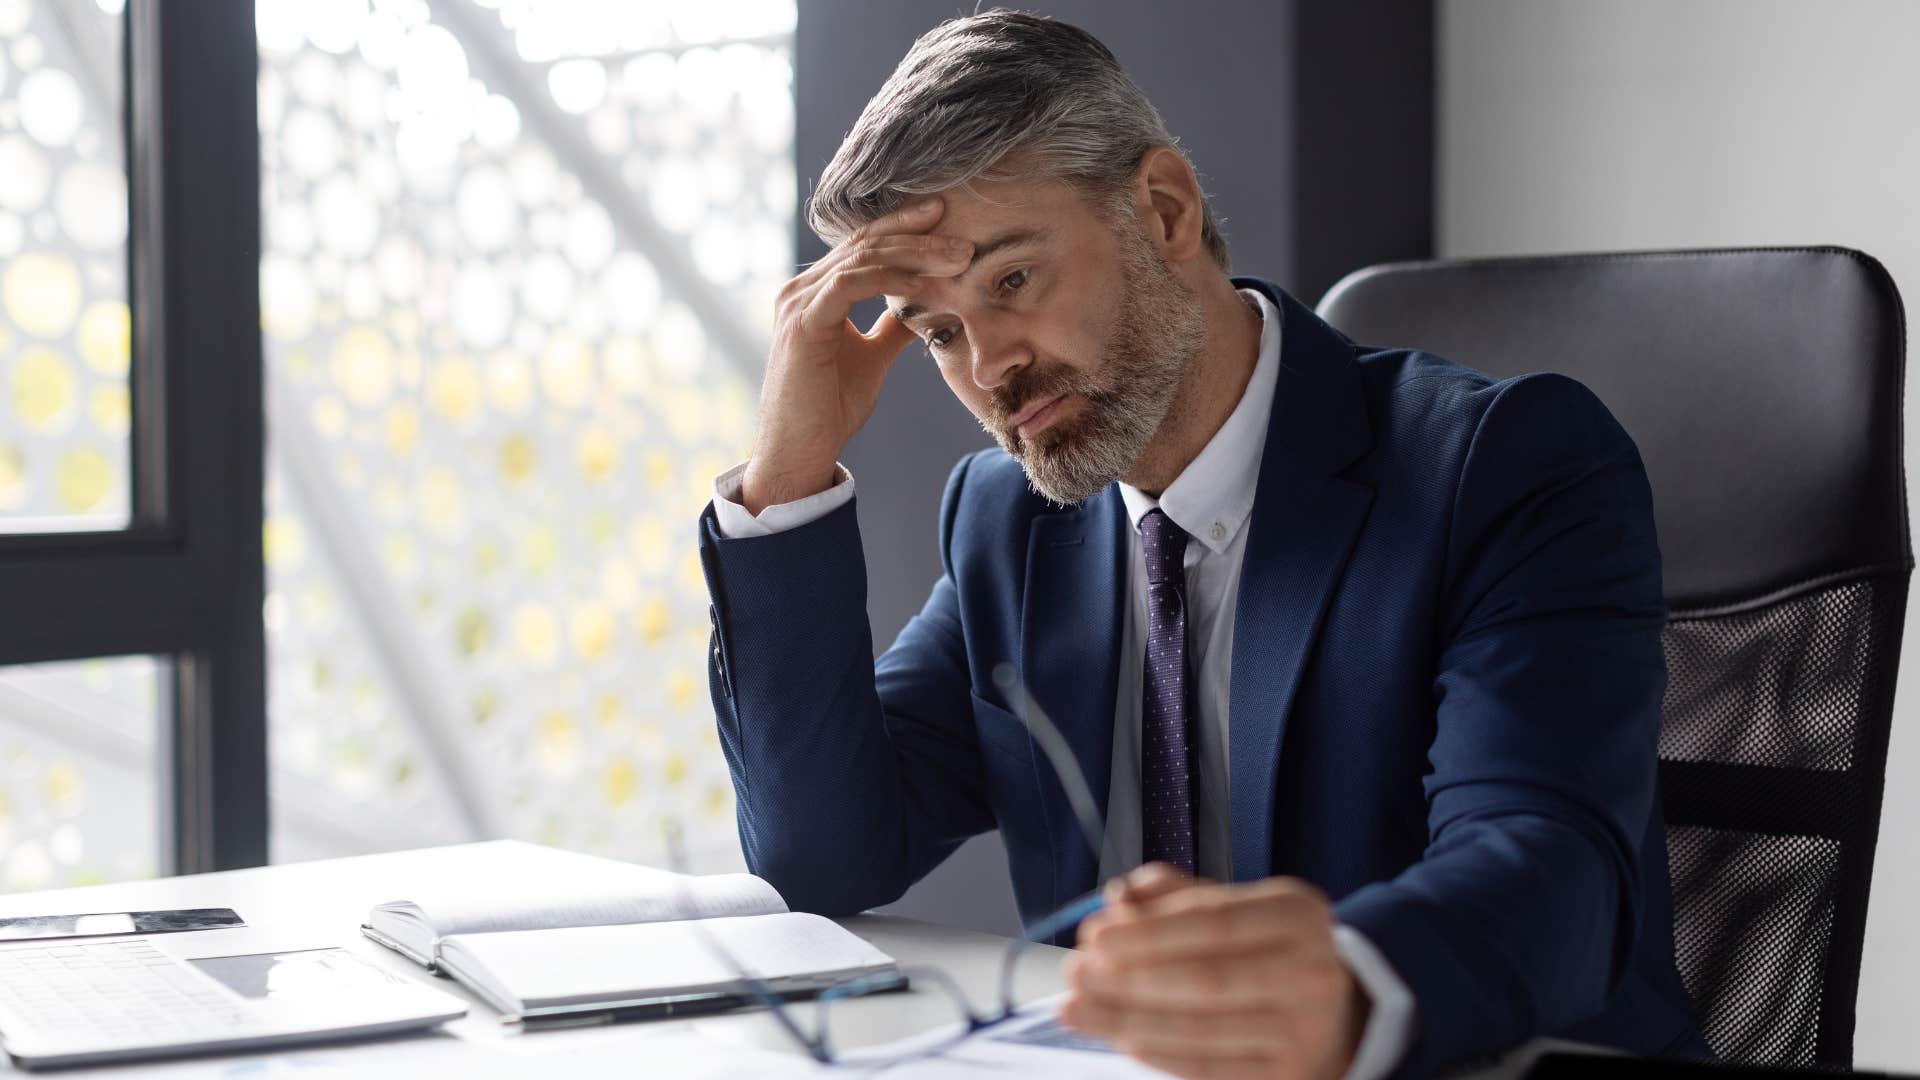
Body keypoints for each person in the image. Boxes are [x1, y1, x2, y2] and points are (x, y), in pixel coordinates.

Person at [697, 10, 1707, 1079]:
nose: (988, 366)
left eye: (1011, 281)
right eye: (939, 330)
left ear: (1165, 211)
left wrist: (1345, 987)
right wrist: (787, 475)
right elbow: (820, 852)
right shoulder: (1007, 521)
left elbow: (1550, 872)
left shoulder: (1502, 467)